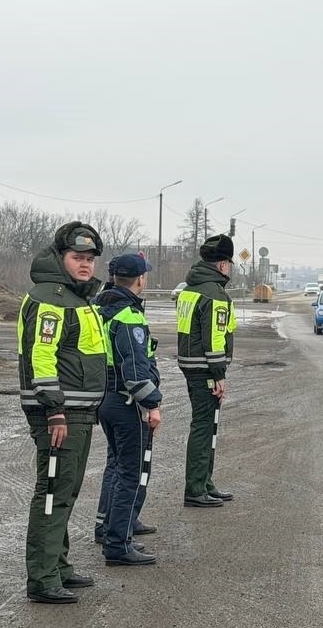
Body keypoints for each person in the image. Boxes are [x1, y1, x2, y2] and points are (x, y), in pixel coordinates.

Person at [17, 221, 107, 604]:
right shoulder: (51, 299)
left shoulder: (76, 296)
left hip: (79, 411)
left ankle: (58, 566)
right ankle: (42, 578)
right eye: (77, 258)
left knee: (66, 490)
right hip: (59, 413)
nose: (85, 265)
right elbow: (42, 354)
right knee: (53, 491)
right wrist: (53, 410)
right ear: (60, 258)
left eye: (89, 259)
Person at [92, 253, 163, 566]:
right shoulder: (129, 317)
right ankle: (118, 545)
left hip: (105, 398)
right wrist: (153, 403)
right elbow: (135, 372)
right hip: (126, 402)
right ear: (140, 280)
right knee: (129, 473)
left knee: (115, 464)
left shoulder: (100, 308)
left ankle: (107, 526)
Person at [175, 234, 238, 508]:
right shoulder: (214, 294)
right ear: (223, 265)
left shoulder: (190, 289)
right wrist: (219, 375)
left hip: (191, 365)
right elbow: (214, 339)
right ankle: (196, 488)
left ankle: (205, 482)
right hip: (205, 370)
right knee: (204, 427)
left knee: (208, 425)